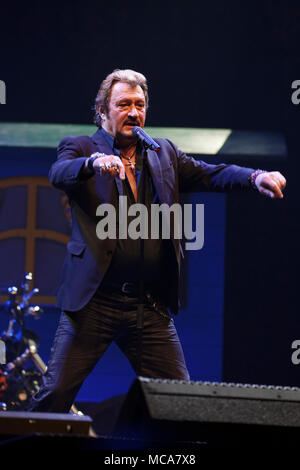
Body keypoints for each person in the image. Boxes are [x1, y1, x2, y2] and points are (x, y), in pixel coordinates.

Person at [28, 69, 286, 413]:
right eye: (123, 104)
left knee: (181, 405)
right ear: (103, 111)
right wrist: (93, 163)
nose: (133, 112)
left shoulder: (162, 153)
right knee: (53, 397)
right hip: (94, 304)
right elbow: (59, 173)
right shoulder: (81, 147)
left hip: (148, 307)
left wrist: (256, 177)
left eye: (139, 104)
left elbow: (211, 174)